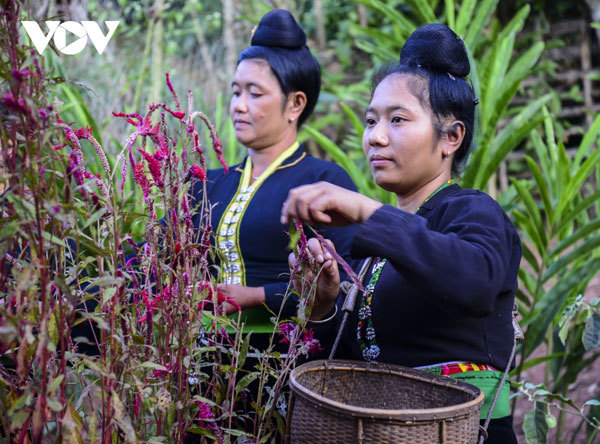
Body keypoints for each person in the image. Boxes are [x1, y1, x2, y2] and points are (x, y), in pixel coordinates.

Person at [282, 23, 521, 444]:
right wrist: (321, 305)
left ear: (451, 137)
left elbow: (475, 282)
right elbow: (349, 369)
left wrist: (365, 209)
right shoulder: (369, 249)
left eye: (397, 119)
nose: (375, 137)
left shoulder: (472, 211)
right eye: (371, 120)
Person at [191, 9, 356, 348]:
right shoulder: (206, 183)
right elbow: (153, 255)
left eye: (255, 93)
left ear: (295, 104)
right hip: (199, 359)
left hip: (282, 359)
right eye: (236, 92)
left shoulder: (323, 181)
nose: (238, 105)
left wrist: (255, 295)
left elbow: (344, 281)